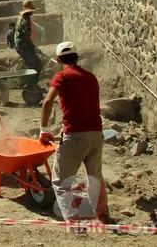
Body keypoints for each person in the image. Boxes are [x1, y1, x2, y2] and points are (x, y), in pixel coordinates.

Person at [39, 42, 106, 223]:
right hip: (96, 134)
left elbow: (48, 102)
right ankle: (101, 214)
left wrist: (43, 130)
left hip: (75, 135)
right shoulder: (91, 77)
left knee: (61, 181)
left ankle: (73, 221)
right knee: (95, 177)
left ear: (58, 60)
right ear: (77, 57)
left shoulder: (62, 77)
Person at [14, 0, 42, 89]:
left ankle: (33, 84)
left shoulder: (21, 17)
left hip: (24, 45)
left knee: (38, 64)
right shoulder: (26, 20)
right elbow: (26, 37)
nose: (32, 12)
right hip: (22, 46)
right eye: (31, 10)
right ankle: (29, 85)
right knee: (32, 66)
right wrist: (34, 47)